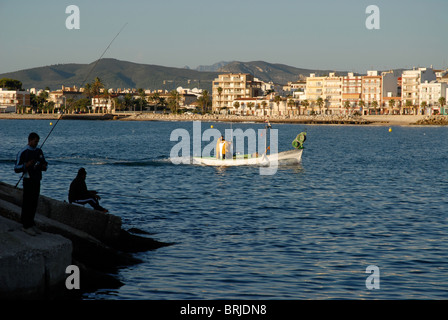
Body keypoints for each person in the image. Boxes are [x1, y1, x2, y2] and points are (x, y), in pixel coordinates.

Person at [14, 132, 48, 236]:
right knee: (27, 203)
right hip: (28, 180)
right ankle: (25, 225)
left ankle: (31, 223)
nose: (36, 144)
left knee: (34, 203)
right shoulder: (23, 152)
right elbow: (16, 168)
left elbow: (44, 163)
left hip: (37, 179)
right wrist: (26, 165)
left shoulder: (39, 151)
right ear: (30, 140)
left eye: (37, 142)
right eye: (35, 141)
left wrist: (43, 166)